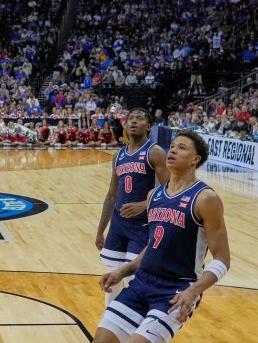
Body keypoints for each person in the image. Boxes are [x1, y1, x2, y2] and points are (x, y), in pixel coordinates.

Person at [95, 130, 230, 343]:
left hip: (176, 289)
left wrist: (193, 291)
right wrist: (123, 270)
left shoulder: (205, 198)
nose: (173, 150)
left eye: (182, 147)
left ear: (195, 160)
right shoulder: (154, 195)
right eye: (173, 146)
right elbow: (154, 245)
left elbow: (222, 259)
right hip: (142, 282)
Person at [96, 109, 169, 306]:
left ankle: (137, 322)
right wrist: (101, 230)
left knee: (133, 278)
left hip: (143, 225)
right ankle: (110, 322)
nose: (134, 122)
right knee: (111, 278)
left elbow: (171, 192)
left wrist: (144, 204)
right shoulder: (118, 155)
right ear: (125, 125)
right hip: (118, 225)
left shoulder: (154, 153)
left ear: (149, 126)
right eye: (130, 119)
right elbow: (111, 195)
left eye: (140, 118)